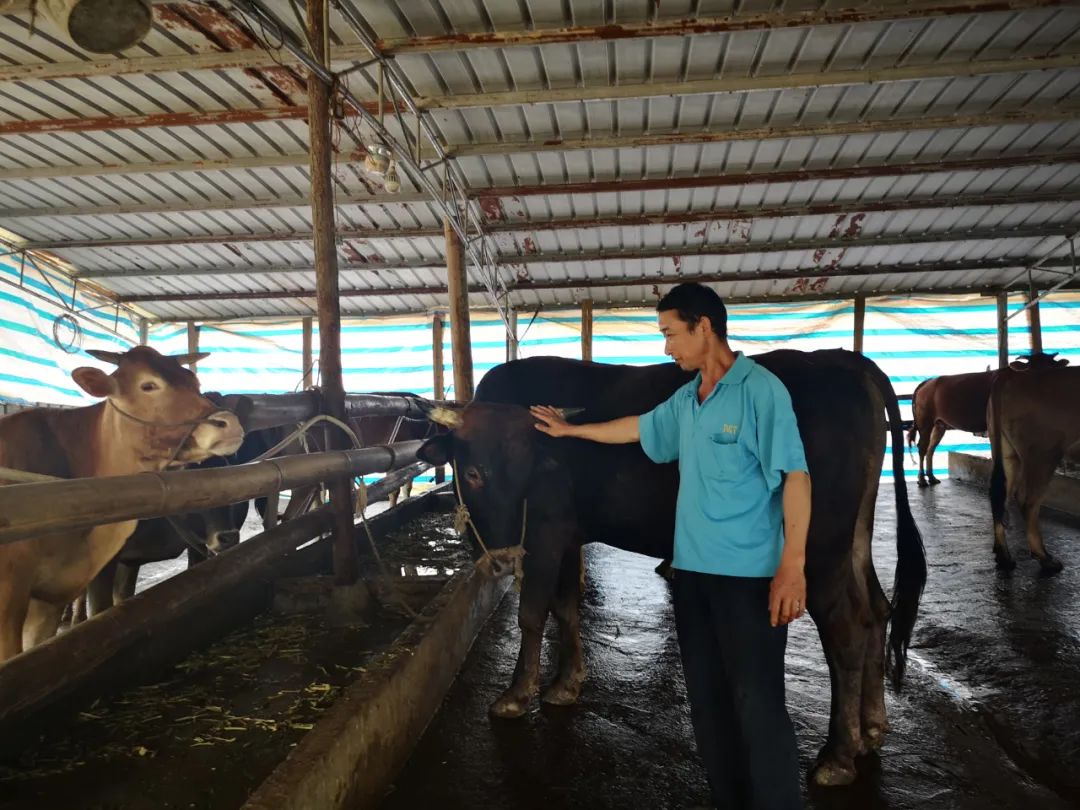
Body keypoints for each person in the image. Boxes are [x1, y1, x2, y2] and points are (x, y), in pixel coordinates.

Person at [530, 282, 810, 810]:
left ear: (704, 326)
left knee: (757, 704)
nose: (666, 348)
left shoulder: (760, 390)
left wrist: (792, 567)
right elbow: (638, 429)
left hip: (749, 580)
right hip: (692, 579)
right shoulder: (689, 399)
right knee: (706, 704)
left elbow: (795, 477)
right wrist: (571, 432)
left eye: (670, 334)